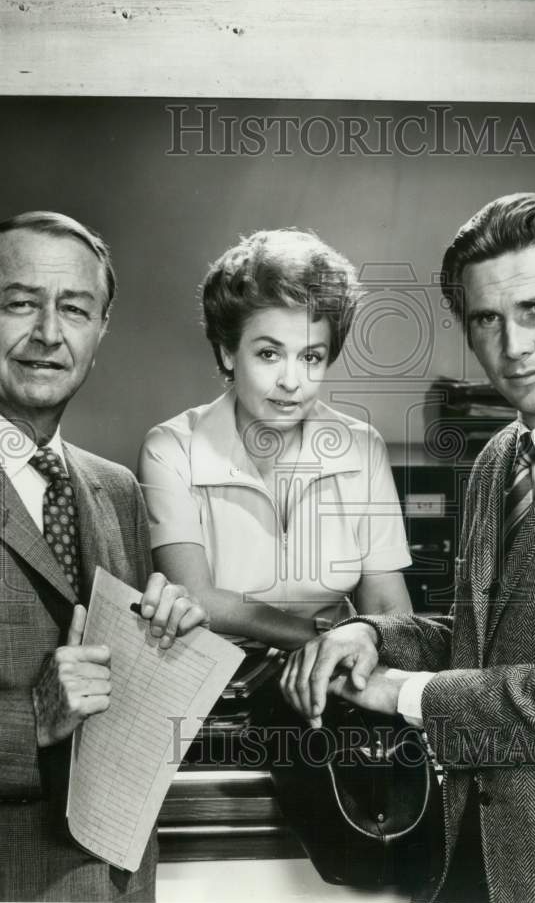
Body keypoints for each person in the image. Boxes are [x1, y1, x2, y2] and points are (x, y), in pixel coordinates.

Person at [281, 193, 535, 903]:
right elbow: (485, 642)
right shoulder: (499, 458)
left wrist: (398, 691)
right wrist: (372, 632)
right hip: (473, 861)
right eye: (487, 320)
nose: (512, 347)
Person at [0, 211, 206, 902]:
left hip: (115, 893)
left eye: (75, 309)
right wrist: (30, 717)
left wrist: (167, 658)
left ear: (100, 330)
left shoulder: (117, 491)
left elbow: (123, 719)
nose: (49, 334)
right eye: (20, 304)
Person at [137, 228, 413, 650]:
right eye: (269, 354)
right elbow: (197, 598)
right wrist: (320, 640)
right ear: (228, 352)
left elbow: (387, 603)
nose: (291, 382)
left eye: (310, 357)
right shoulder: (170, 448)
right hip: (220, 684)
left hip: (335, 677)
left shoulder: (362, 447)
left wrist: (372, 658)